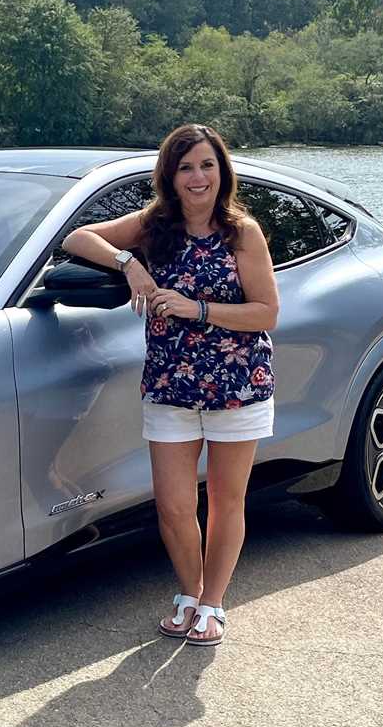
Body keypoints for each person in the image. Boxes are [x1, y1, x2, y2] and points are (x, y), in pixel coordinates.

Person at [62, 124, 279, 647]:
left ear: (221, 170)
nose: (197, 176)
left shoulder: (241, 232)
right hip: (170, 386)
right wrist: (129, 263)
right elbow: (76, 237)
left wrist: (195, 308)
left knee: (226, 502)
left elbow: (266, 312)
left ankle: (213, 605)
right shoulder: (154, 226)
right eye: (186, 167)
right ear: (170, 175)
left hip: (236, 384)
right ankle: (189, 593)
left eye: (207, 165)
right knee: (174, 505)